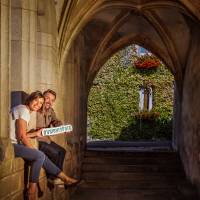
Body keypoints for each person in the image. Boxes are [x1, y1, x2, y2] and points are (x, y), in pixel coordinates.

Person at [10, 91, 78, 200]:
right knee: (40, 155)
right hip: (12, 145)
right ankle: (32, 190)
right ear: (30, 99)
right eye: (37, 100)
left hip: (20, 142)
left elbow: (21, 134)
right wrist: (34, 148)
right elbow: (22, 136)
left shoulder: (27, 110)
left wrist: (37, 133)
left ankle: (64, 178)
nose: (38, 104)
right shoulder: (23, 110)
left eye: (40, 102)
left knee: (47, 155)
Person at [36, 89, 67, 184]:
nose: (49, 101)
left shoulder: (50, 111)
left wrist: (61, 127)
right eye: (47, 98)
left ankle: (56, 178)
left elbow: (55, 121)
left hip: (46, 140)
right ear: (42, 98)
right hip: (37, 140)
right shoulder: (36, 109)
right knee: (55, 153)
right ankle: (54, 178)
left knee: (62, 151)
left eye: (52, 100)